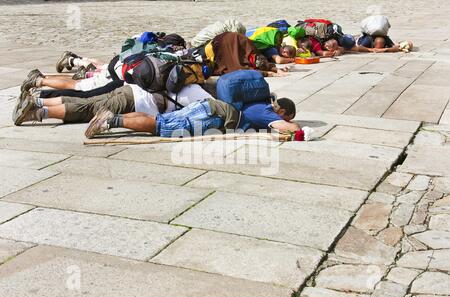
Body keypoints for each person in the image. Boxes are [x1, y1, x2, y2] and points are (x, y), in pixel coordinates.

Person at [84, 95, 313, 141]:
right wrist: (296, 126)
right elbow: (289, 129)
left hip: (209, 108)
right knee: (159, 126)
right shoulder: (266, 113)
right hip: (213, 116)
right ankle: (110, 122)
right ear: (282, 111)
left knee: (161, 119)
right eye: (287, 115)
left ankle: (114, 116)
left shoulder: (258, 106)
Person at [12, 83, 212, 126]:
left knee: (86, 101)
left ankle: (37, 101)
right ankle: (38, 112)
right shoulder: (203, 96)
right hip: (135, 102)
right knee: (88, 109)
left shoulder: (191, 81)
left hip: (130, 90)